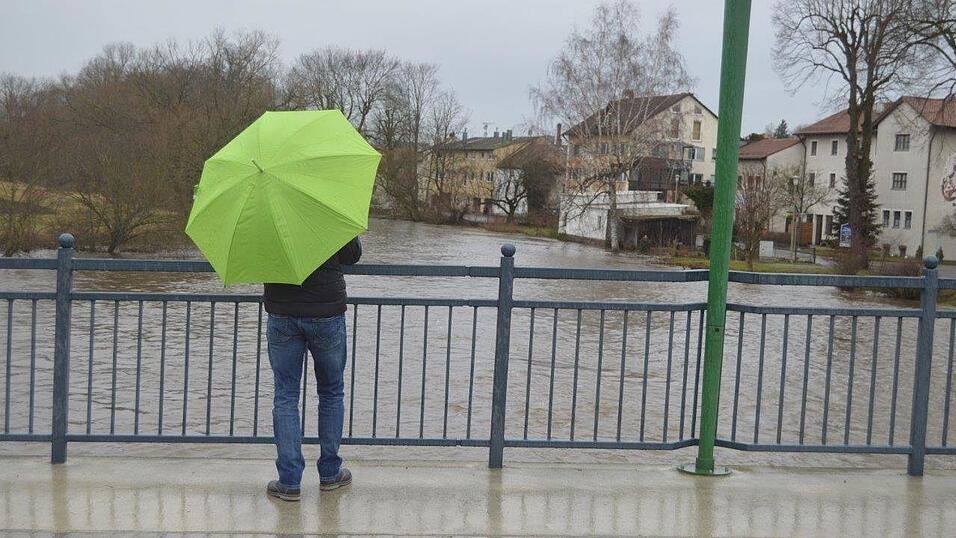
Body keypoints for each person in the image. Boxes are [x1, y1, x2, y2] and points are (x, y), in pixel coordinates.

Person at [262, 236, 361, 501]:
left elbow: (258, 260)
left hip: (282, 311)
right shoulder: (327, 209)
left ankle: (289, 481)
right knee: (331, 392)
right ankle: (330, 473)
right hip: (326, 311)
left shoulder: (266, 214)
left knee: (285, 396)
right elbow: (352, 255)